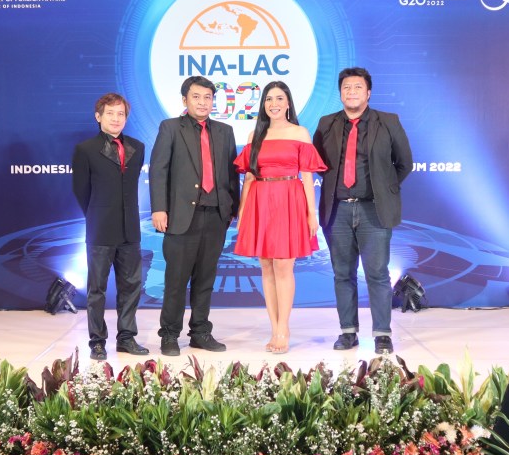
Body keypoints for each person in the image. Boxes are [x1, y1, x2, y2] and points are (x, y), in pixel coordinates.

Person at [313, 67, 414, 354]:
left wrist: (384, 187)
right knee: (342, 274)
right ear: (340, 93)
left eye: (357, 87)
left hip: (374, 210)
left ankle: (382, 334)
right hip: (338, 211)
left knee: (378, 274)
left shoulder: (388, 121)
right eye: (346, 87)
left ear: (368, 92)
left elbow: (404, 163)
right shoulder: (327, 123)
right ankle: (348, 332)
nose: (352, 92)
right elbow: (319, 163)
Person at [149, 76, 239, 356]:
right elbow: (158, 170)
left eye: (208, 97)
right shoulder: (170, 128)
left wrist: (232, 209)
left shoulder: (225, 131)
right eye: (196, 97)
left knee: (205, 279)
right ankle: (169, 335)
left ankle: (200, 332)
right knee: (176, 280)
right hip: (180, 216)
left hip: (216, 217)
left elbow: (231, 174)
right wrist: (159, 208)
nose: (202, 102)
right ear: (185, 100)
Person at [234, 81, 326, 354]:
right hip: (260, 200)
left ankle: (284, 329)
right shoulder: (254, 135)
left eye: (279, 98)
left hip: (289, 200)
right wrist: (242, 210)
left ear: (288, 103)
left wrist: (311, 213)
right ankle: (274, 328)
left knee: (284, 265)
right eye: (268, 99)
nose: (273, 104)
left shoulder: (300, 133)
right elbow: (249, 177)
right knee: (266, 265)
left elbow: (307, 176)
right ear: (263, 104)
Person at [72, 93, 150, 361]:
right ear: (98, 116)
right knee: (97, 289)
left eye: (121, 114)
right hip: (100, 228)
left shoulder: (138, 147)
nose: (116, 119)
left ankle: (126, 338)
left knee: (131, 286)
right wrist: (97, 213)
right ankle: (97, 341)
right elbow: (81, 191)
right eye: (110, 113)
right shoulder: (85, 149)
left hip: (130, 229)